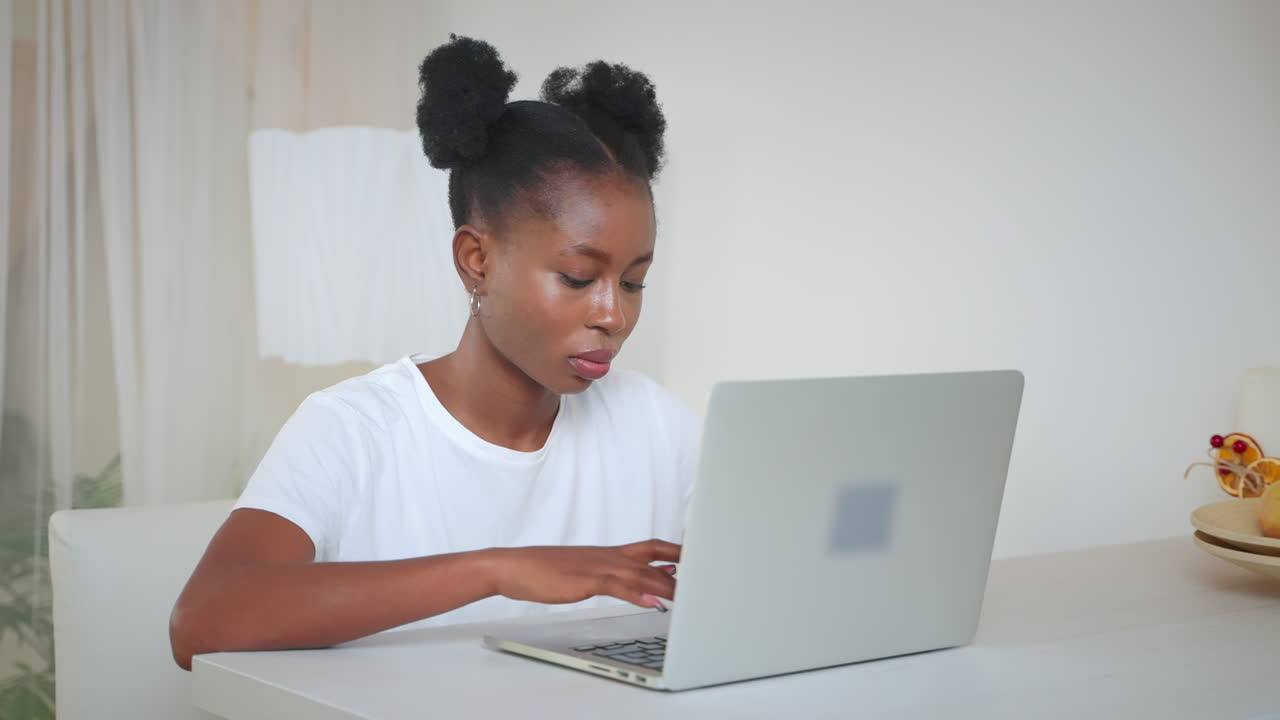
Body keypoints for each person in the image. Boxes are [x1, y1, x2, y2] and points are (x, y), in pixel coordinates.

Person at [169, 35, 699, 671]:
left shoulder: (655, 424)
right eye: (579, 278)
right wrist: (495, 570)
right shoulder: (356, 428)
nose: (614, 314)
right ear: (477, 260)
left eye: (634, 281)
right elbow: (201, 621)